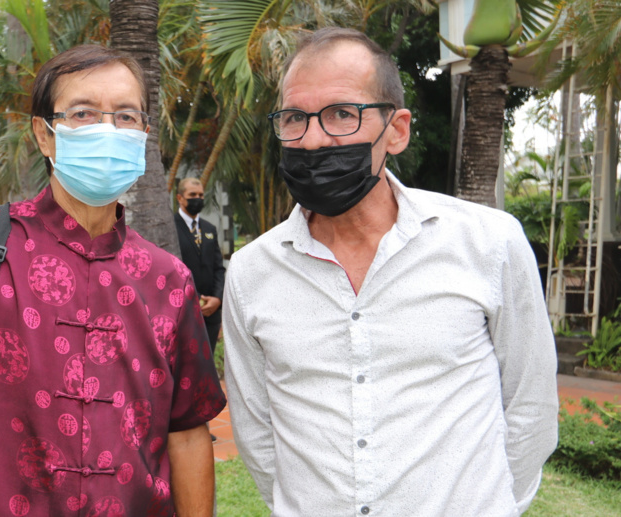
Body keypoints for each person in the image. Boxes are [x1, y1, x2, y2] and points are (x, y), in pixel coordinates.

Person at [223, 27, 558, 516]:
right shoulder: (253, 271)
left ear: (396, 131)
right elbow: (256, 429)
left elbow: (530, 407)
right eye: (294, 118)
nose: (313, 140)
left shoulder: (488, 243)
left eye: (341, 114)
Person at [0, 44, 226, 516]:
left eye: (127, 116)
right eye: (84, 113)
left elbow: (187, 434)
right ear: (44, 136)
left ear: (144, 133)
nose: (108, 130)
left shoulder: (168, 279)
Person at [174, 178, 226, 352]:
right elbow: (172, 271)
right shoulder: (170, 228)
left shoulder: (209, 228)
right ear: (180, 198)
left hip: (210, 312)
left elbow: (218, 267)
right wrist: (196, 298)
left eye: (201, 195)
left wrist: (217, 299)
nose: (198, 198)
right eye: (192, 195)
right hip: (184, 310)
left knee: (208, 361)